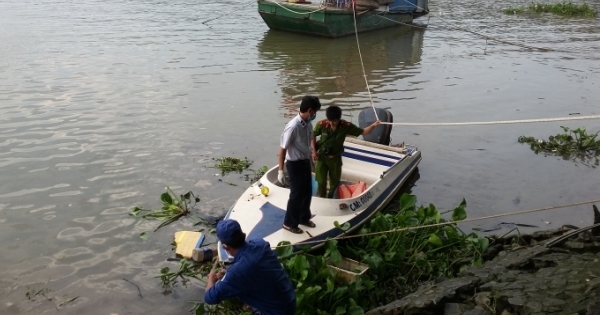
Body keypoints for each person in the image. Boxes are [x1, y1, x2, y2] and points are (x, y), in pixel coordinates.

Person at [204, 220, 296, 315]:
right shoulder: (260, 244)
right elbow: (250, 265)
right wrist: (228, 272)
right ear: (243, 235)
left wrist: (212, 279)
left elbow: (210, 298)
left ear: (225, 247)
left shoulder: (237, 273)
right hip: (289, 299)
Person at [312, 106, 380, 198]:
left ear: (339, 119)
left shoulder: (346, 126)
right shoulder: (321, 124)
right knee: (321, 181)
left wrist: (373, 125)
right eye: (330, 121)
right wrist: (314, 151)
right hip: (322, 157)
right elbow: (312, 135)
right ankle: (321, 198)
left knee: (334, 183)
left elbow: (363, 132)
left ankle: (332, 198)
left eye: (334, 121)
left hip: (335, 159)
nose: (332, 123)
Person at [278, 95, 322, 234]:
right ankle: (289, 223)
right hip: (294, 164)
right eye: (314, 112)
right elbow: (283, 148)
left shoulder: (308, 124)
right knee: (296, 195)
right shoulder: (293, 127)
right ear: (309, 111)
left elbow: (311, 138)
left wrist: (313, 151)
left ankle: (304, 218)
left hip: (305, 162)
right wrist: (280, 170)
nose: (314, 115)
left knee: (307, 192)